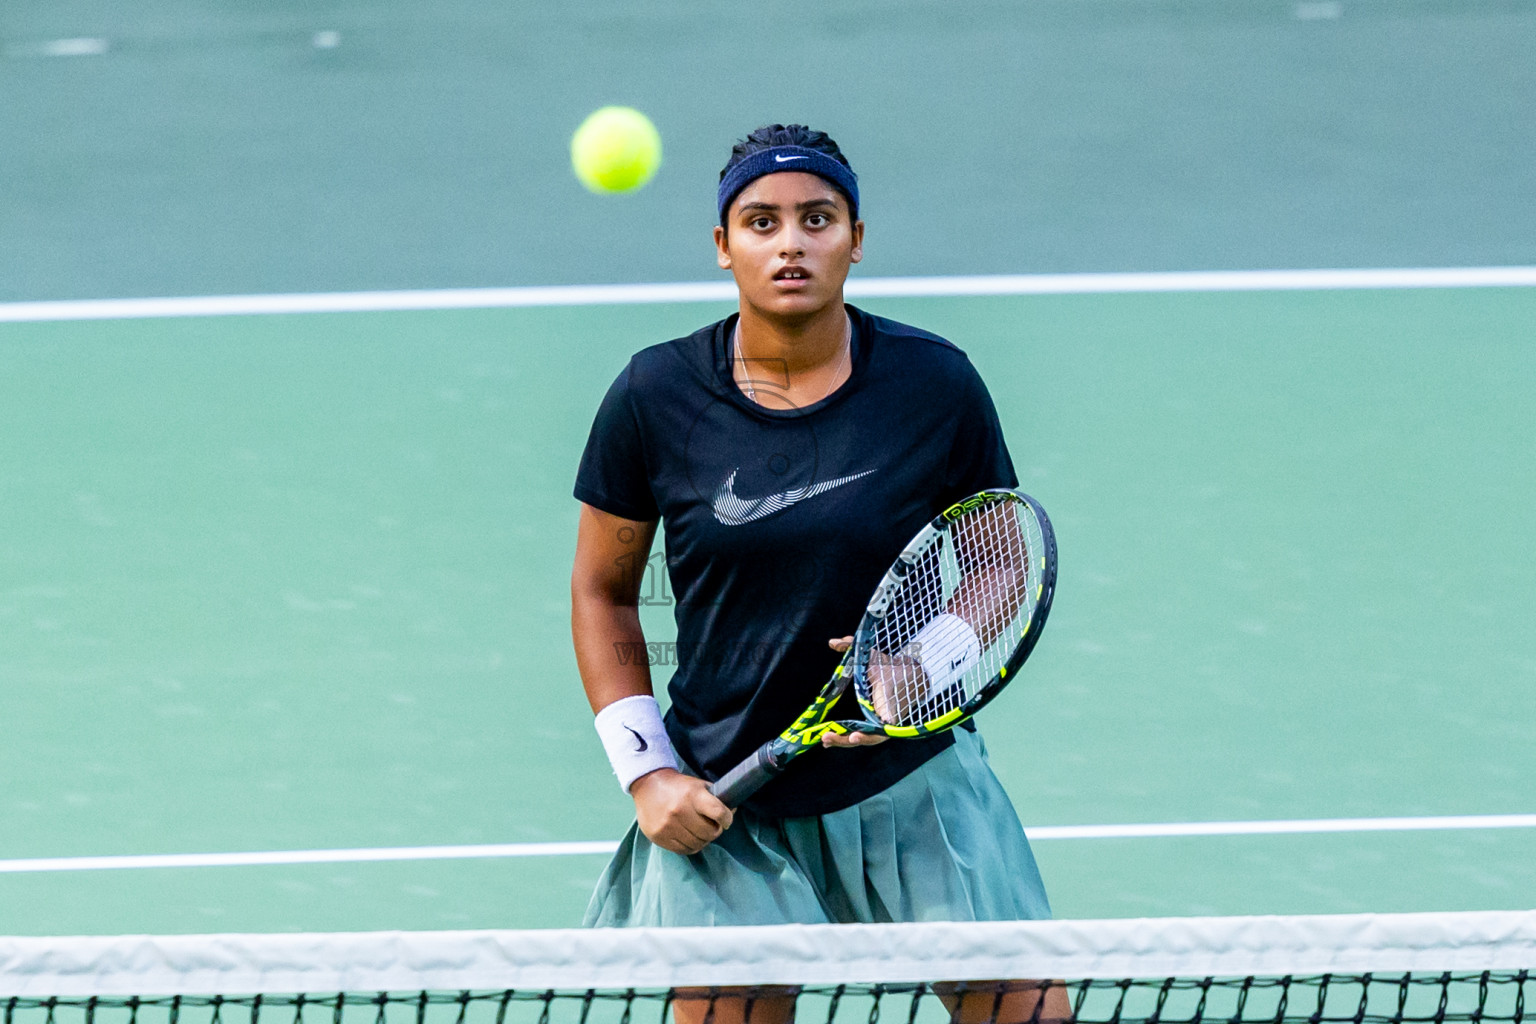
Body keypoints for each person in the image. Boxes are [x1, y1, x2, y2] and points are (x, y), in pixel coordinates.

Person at [570, 124, 1069, 1024]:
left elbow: (1000, 550)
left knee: (1030, 1015)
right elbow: (601, 590)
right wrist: (647, 772)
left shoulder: (934, 383)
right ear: (724, 248)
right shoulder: (654, 396)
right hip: (729, 798)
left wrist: (933, 659)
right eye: (761, 222)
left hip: (908, 782)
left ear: (856, 238)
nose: (791, 243)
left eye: (817, 218)